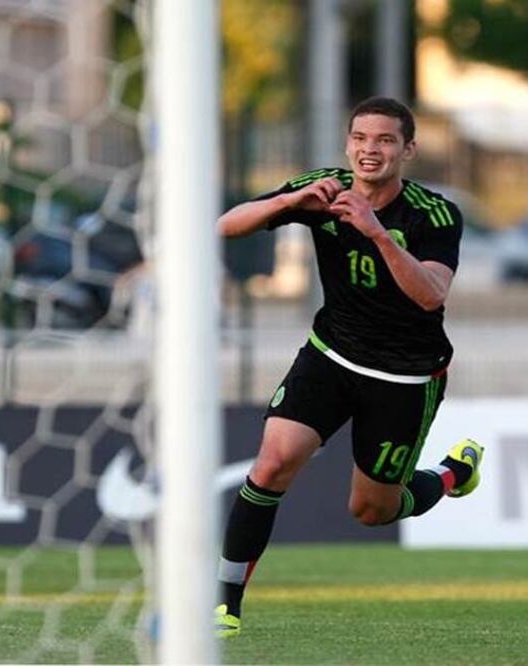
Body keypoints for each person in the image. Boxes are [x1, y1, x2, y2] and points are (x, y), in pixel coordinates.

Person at [213, 96, 484, 637]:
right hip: (331, 355)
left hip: (405, 376)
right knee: (271, 463)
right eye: (360, 138)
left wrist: (375, 232)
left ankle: (454, 474)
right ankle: (223, 605)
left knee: (372, 511)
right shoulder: (324, 187)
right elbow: (226, 225)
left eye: (384, 140)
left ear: (407, 149)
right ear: (347, 144)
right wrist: (288, 203)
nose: (370, 150)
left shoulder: (434, 214)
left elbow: (431, 295)